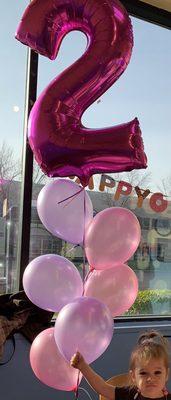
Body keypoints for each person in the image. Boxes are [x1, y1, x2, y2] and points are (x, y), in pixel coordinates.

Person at [70, 330, 170, 400]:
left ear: (166, 374)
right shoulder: (130, 394)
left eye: (157, 372)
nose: (150, 379)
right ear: (133, 376)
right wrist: (83, 367)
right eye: (143, 373)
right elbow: (103, 388)